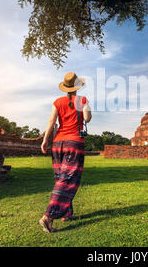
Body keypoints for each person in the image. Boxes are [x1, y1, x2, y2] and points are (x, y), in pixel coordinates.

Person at [39, 72, 92, 233]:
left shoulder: (57, 102)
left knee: (61, 178)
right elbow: (87, 118)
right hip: (74, 143)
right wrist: (86, 109)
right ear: (77, 87)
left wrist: (45, 140)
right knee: (67, 180)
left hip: (58, 143)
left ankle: (67, 213)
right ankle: (48, 216)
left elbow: (51, 121)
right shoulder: (82, 100)